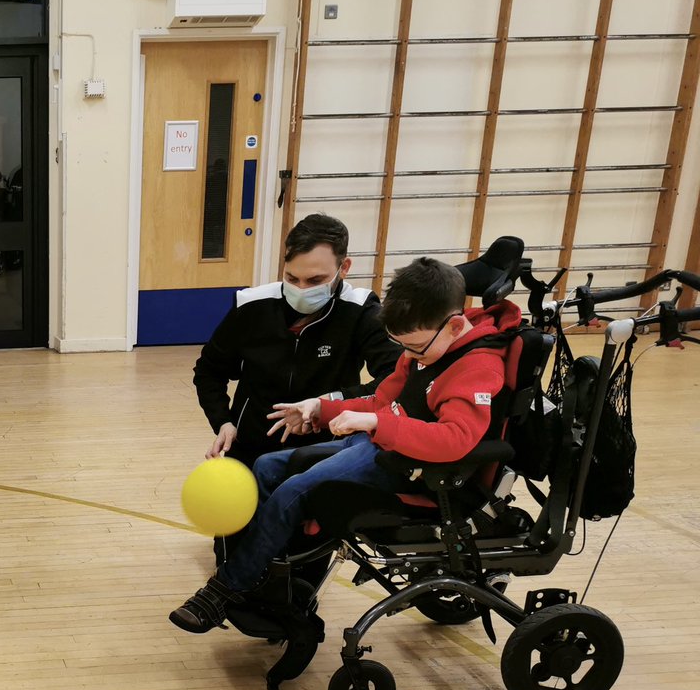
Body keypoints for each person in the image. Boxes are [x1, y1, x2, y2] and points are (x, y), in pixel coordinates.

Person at [169, 256, 523, 634]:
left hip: (418, 471)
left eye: (415, 348)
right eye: (402, 346)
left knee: (292, 491)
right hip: (383, 448)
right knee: (267, 467)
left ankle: (227, 588)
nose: (409, 356)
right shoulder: (424, 348)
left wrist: (376, 422)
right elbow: (382, 400)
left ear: (454, 326)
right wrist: (322, 408)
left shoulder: (478, 367)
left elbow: (456, 439)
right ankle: (270, 578)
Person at [194, 213, 400, 468]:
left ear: (343, 268)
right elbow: (208, 371)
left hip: (325, 450)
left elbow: (394, 379)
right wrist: (223, 422)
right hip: (251, 446)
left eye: (315, 281)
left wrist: (327, 404)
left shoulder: (361, 311)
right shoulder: (251, 306)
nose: (302, 289)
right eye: (292, 278)